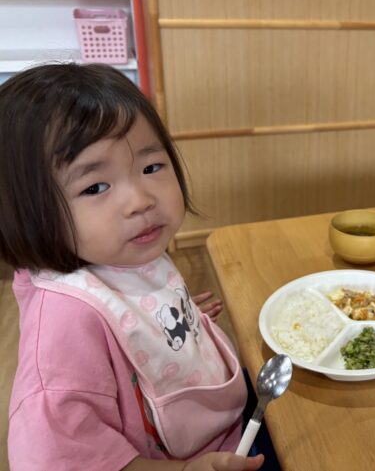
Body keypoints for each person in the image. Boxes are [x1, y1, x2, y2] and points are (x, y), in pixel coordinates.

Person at [0, 64, 265, 471]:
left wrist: (163, 319)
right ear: (27, 214)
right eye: (95, 187)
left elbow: (124, 332)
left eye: (150, 167)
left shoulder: (119, 250)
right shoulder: (64, 322)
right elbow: (60, 460)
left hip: (221, 421)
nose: (141, 199)